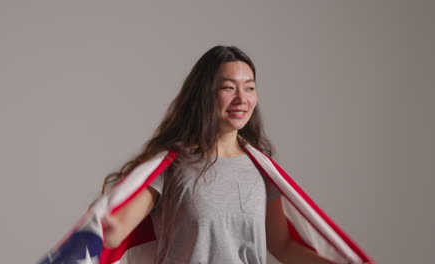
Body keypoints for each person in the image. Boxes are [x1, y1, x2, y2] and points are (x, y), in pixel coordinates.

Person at [99, 45, 338, 264]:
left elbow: (283, 246)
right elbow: (119, 230)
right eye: (228, 87)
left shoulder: (262, 170)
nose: (242, 99)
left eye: (250, 88)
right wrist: (101, 227)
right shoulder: (172, 165)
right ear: (205, 94)